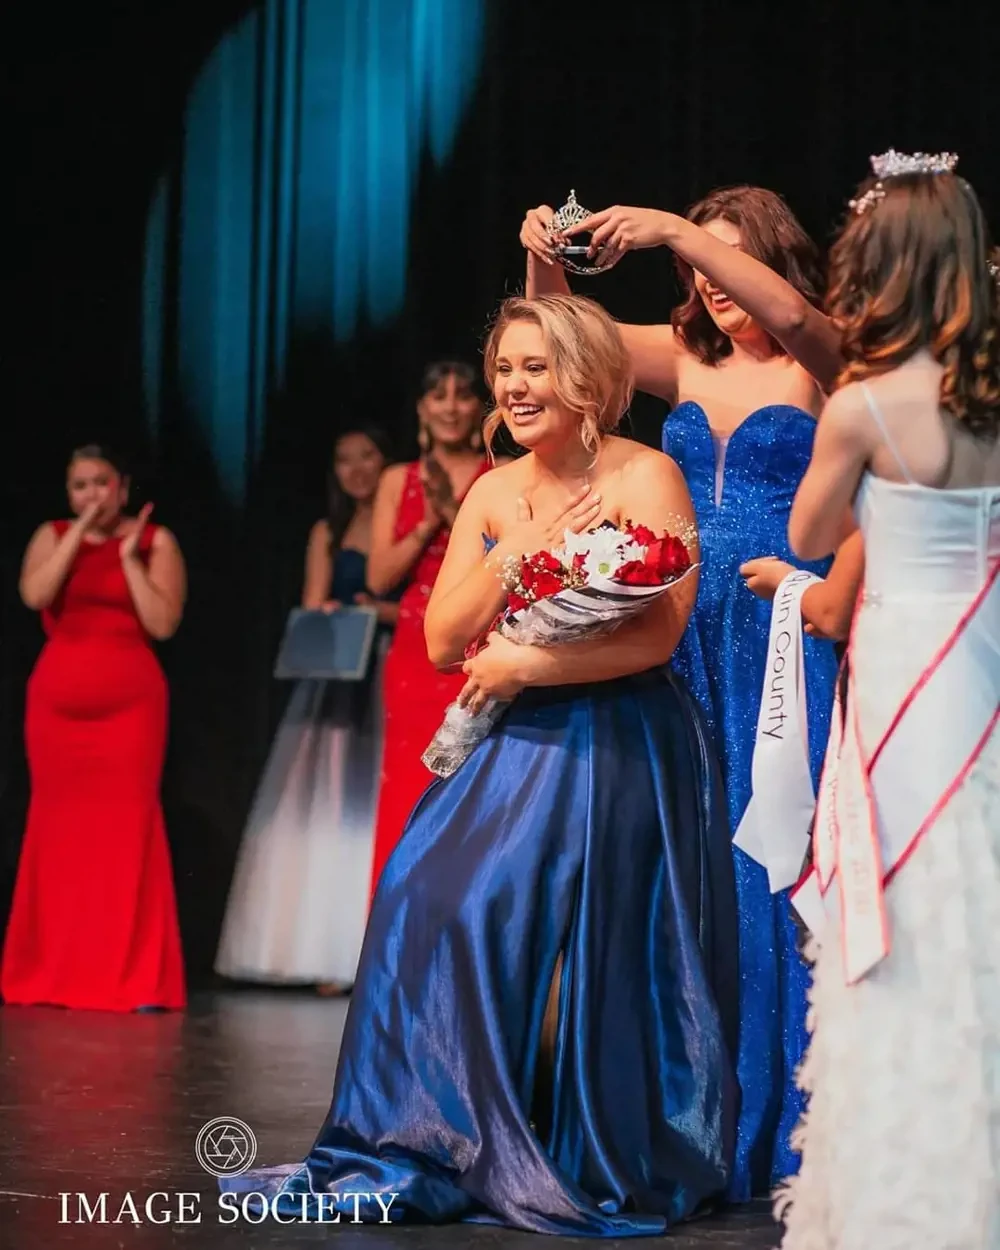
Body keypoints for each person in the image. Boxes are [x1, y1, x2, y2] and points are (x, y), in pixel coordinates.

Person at [219, 294, 740, 1235]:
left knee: (583, 936)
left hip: (618, 736)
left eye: (535, 367)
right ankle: (435, 1131)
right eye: (505, 369)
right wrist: (520, 555)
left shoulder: (647, 473)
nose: (514, 386)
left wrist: (528, 663)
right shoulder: (496, 492)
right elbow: (438, 640)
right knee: (420, 889)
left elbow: (658, 637)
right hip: (515, 732)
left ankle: (569, 1139)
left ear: (587, 377)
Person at [523, 187, 843, 1198]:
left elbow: (792, 315)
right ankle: (692, 1114)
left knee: (776, 846)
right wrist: (544, 258)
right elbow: (565, 343)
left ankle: (790, 1119)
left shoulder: (822, 351)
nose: (707, 283)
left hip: (784, 628)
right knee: (687, 847)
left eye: (722, 259)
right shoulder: (681, 355)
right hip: (685, 628)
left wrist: (674, 229)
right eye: (693, 269)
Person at [775, 153, 1000, 1250]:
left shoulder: (863, 406)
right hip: (981, 663)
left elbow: (810, 535)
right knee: (975, 884)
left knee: (902, 898)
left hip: (907, 664)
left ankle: (900, 1188)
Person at [2, 445, 187, 1012]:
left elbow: (162, 622)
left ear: (122, 488)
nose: (91, 494)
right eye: (79, 485)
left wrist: (127, 560)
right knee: (58, 832)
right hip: (57, 709)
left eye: (101, 483)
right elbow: (35, 595)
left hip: (130, 708)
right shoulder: (53, 535)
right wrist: (79, 535)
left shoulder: (156, 541)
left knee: (125, 832)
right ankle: (53, 974)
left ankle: (129, 977)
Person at [215, 426, 399, 994]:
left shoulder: (403, 522)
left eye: (367, 456)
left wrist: (383, 612)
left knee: (373, 804)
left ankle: (367, 951)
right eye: (344, 459)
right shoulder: (328, 530)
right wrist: (325, 611)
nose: (357, 469)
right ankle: (320, 950)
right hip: (338, 673)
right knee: (323, 804)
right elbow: (312, 600)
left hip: (389, 663)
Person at [365, 362, 491, 900]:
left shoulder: (503, 471)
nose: (450, 407)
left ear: (479, 408)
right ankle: (400, 925)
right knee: (409, 783)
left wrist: (453, 509)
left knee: (475, 788)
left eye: (462, 396)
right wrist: (430, 519)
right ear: (421, 409)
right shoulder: (398, 479)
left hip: (479, 647)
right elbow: (378, 578)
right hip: (415, 654)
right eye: (438, 396)